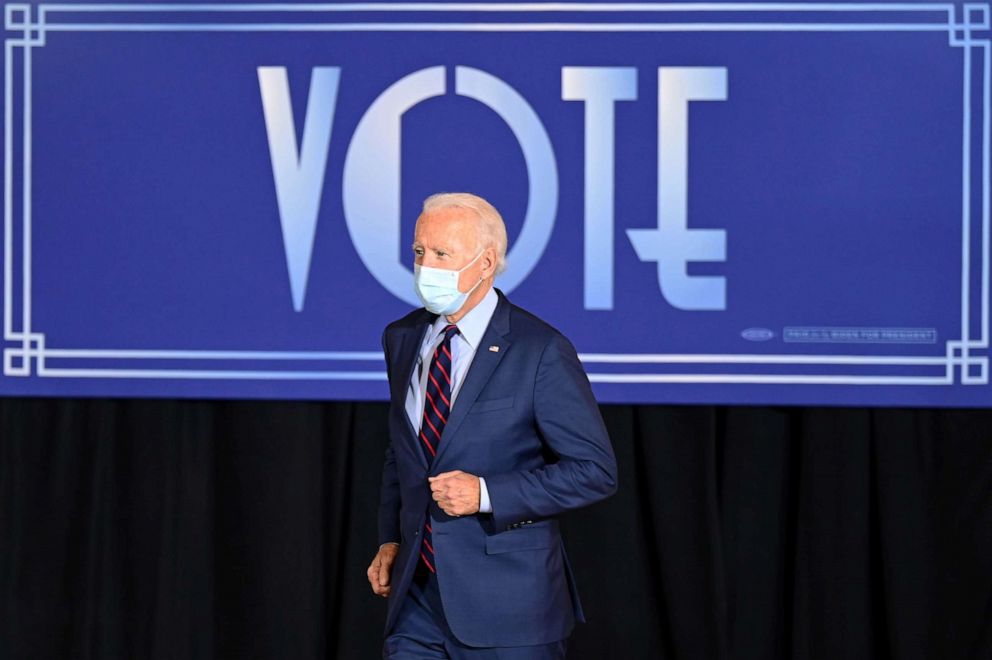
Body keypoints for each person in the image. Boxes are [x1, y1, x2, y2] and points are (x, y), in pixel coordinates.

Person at [367, 192, 618, 659]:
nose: (427, 268)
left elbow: (594, 470)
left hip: (509, 610)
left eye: (443, 254)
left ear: (486, 264)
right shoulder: (401, 337)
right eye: (420, 252)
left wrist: (486, 494)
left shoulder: (539, 349)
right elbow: (401, 451)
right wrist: (390, 538)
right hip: (416, 603)